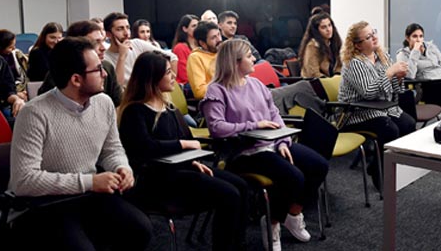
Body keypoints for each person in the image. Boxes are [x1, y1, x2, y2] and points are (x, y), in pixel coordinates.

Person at [8, 37, 152, 250]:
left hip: (87, 195)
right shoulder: (35, 113)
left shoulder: (103, 102)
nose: (105, 74)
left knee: (141, 229)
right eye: (98, 70)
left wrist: (122, 166)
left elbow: (111, 149)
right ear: (76, 79)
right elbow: (24, 181)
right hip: (44, 204)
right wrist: (90, 182)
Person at [201, 39, 328, 251]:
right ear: (235, 62)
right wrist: (254, 125)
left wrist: (282, 141)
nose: (253, 59)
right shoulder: (216, 90)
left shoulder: (256, 84)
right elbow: (217, 128)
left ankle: (293, 214)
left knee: (319, 165)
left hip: (272, 145)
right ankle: (272, 223)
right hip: (245, 153)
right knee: (294, 177)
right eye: (249, 56)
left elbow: (274, 115)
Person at [118, 50, 248, 251]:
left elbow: (186, 138)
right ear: (152, 77)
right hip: (158, 178)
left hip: (182, 169)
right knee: (229, 194)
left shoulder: (168, 108)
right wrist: (183, 145)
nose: (173, 76)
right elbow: (145, 148)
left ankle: (236, 244)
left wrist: (193, 160)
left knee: (241, 186)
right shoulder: (135, 111)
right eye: (168, 72)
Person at [338, 21, 416, 190]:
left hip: (381, 107)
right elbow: (368, 92)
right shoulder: (354, 63)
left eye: (373, 32)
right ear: (357, 45)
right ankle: (381, 177)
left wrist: (399, 78)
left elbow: (395, 91)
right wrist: (390, 72)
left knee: (408, 123)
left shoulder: (382, 56)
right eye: (368, 36)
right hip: (357, 112)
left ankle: (386, 168)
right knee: (390, 130)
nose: (374, 37)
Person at [38, 20, 122, 106]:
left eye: (103, 41)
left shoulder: (107, 67)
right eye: (95, 42)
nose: (103, 48)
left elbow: (117, 104)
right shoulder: (61, 71)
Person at [102, 12, 177, 86]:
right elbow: (117, 86)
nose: (126, 33)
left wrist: (168, 83)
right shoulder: (105, 58)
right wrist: (122, 56)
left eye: (128, 28)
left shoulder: (137, 44)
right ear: (108, 34)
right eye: (120, 29)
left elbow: (172, 57)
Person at [298, 12, 342, 78]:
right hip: (316, 82)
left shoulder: (334, 42)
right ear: (316, 31)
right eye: (323, 27)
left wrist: (337, 76)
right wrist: (331, 82)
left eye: (329, 25)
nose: (328, 29)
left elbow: (340, 65)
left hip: (332, 81)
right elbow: (313, 73)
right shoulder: (312, 46)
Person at [0, 29, 29, 101]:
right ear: (0, 48)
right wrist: (16, 93)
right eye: (10, 47)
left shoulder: (15, 55)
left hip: (19, 88)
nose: (14, 48)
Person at [186, 21, 222, 99]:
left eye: (219, 34)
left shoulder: (224, 52)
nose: (219, 39)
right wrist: (224, 87)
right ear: (202, 43)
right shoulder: (195, 58)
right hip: (214, 101)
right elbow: (200, 92)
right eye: (213, 37)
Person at [172, 14, 200, 86]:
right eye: (194, 26)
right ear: (185, 29)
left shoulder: (202, 45)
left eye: (198, 25)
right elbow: (184, 76)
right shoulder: (180, 48)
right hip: (187, 85)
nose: (197, 28)